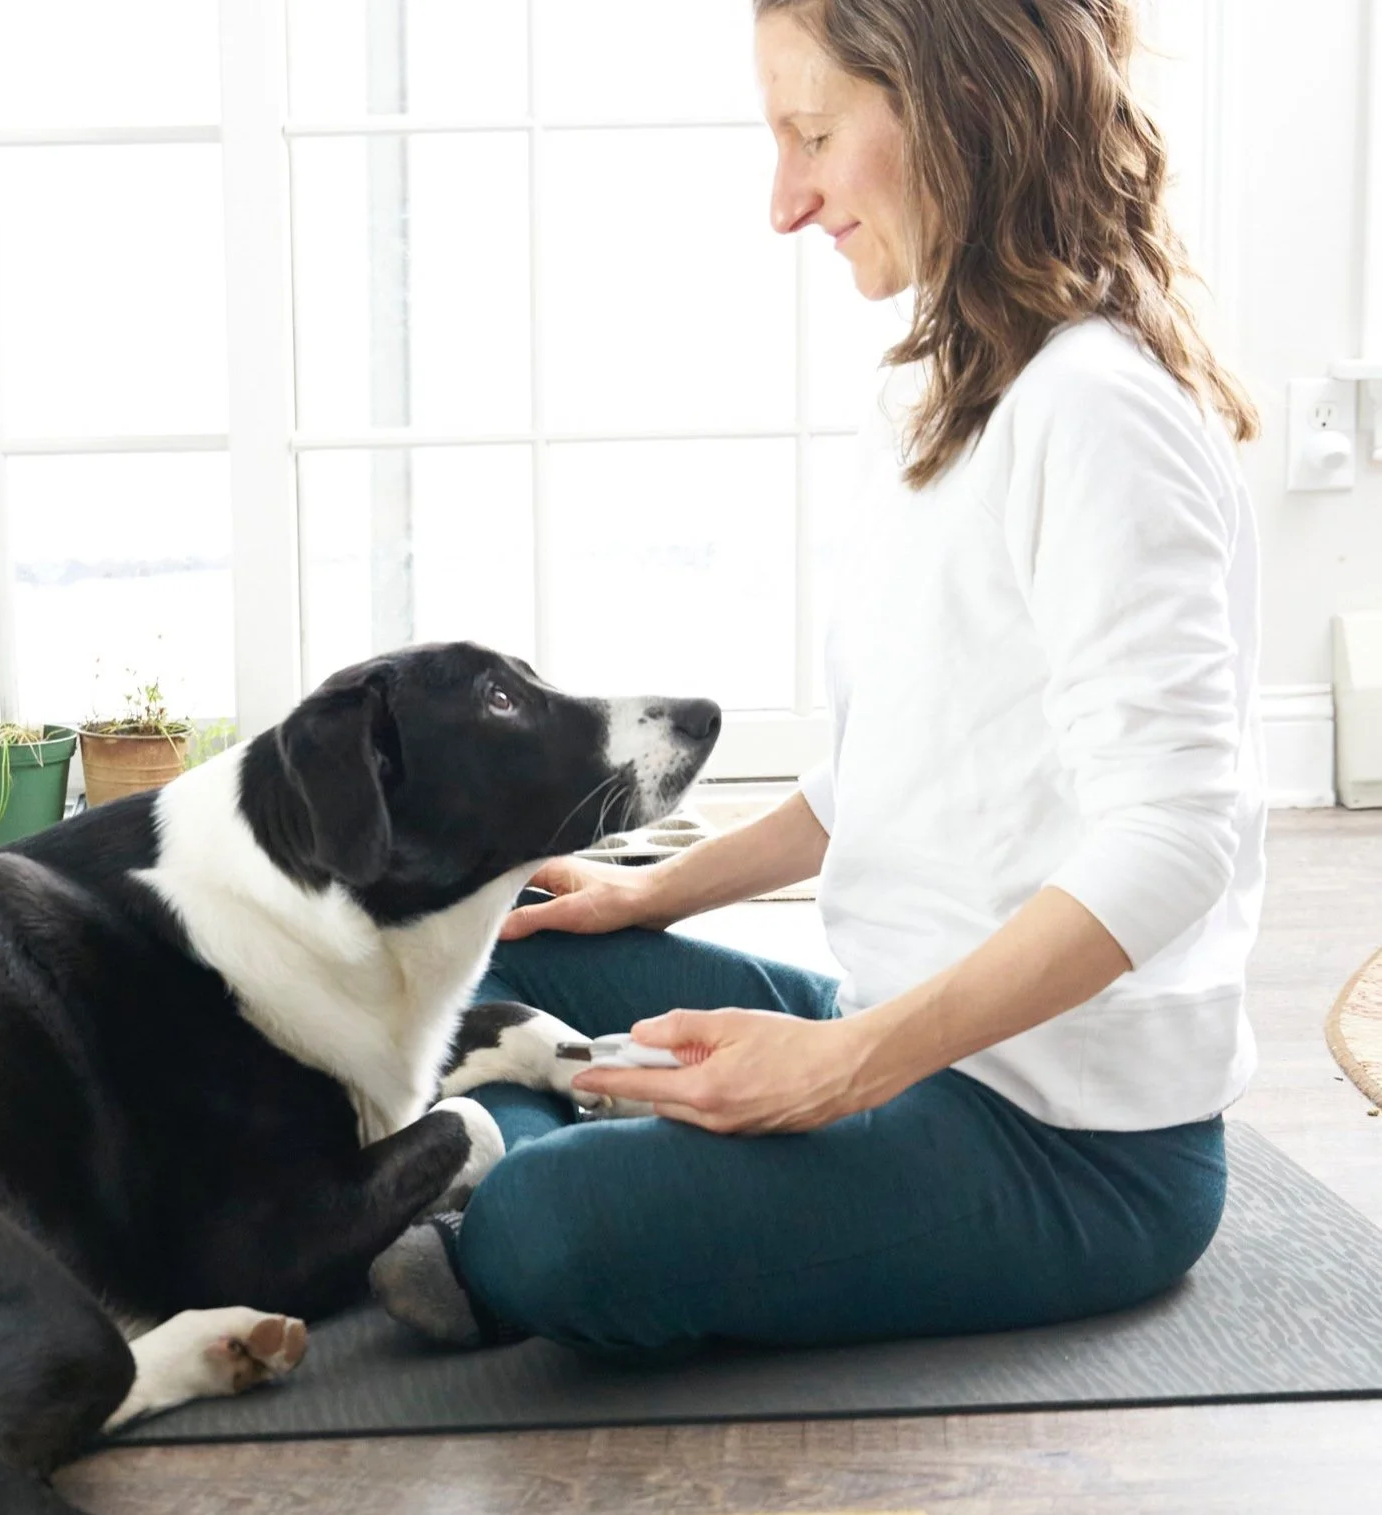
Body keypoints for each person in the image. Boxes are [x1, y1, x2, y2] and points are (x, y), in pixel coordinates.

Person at [370, 0, 1264, 1358]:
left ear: (959, 106)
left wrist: (841, 1068)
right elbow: (886, 776)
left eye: (812, 135)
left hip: (1071, 1146)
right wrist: (655, 890)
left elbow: (1177, 836)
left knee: (540, 1228)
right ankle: (535, 1112)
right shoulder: (947, 389)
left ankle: (516, 1147)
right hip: (897, 1031)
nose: (786, 201)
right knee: (484, 940)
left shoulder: (1098, 414)